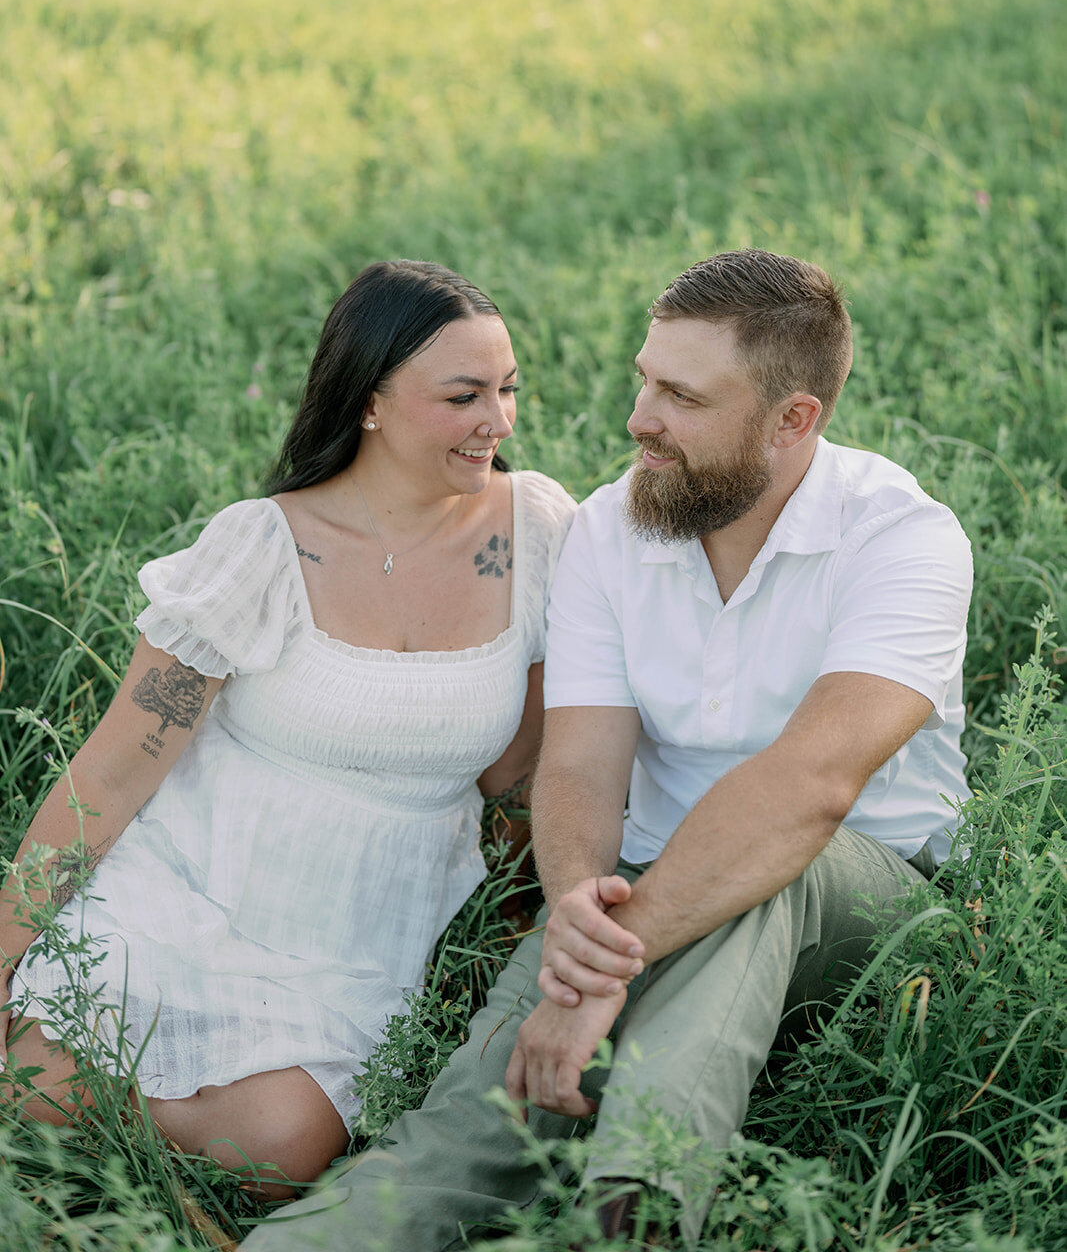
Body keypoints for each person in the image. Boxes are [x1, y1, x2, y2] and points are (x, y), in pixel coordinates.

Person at [243, 247, 973, 1249]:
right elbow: (581, 764)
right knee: (478, 1106)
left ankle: (634, 1206)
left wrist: (600, 977)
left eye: (679, 394)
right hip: (639, 886)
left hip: (870, 901)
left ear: (791, 419)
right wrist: (577, 909)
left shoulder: (900, 539)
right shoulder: (609, 529)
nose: (638, 417)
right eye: (643, 376)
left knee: (774, 874)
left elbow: (809, 788)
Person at [0, 259, 575, 1193]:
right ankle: (67, 1096)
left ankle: (89, 1112)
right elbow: (113, 774)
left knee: (279, 1148)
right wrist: (6, 949)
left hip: (353, 930)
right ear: (371, 402)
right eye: (464, 395)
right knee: (41, 1076)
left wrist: (516, 927)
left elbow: (519, 767)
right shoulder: (262, 547)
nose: (499, 423)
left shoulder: (536, 531)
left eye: (508, 390)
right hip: (196, 875)